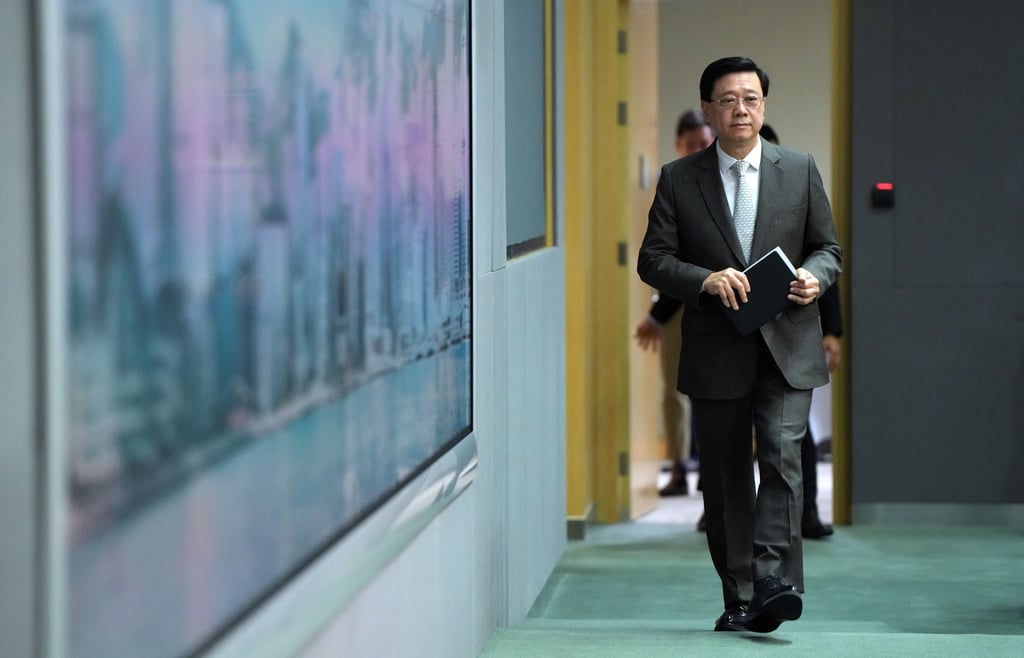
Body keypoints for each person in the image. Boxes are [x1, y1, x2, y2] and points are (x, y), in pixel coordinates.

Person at [637, 57, 841, 634]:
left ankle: (773, 580)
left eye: (751, 99)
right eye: (728, 100)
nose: (741, 110)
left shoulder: (798, 169)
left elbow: (828, 249)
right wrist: (704, 280)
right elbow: (652, 260)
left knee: (781, 460)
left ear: (763, 106)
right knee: (726, 478)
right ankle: (741, 595)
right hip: (717, 348)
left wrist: (814, 277)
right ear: (708, 109)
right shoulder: (680, 178)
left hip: (788, 344)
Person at [757, 122, 839, 540]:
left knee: (793, 435)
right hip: (736, 333)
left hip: (790, 332)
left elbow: (825, 256)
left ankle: (807, 512)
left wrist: (833, 332)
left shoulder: (798, 183)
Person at [634, 109, 715, 497]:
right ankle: (681, 469)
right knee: (675, 392)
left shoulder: (724, 183)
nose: (698, 149)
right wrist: (658, 315)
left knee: (715, 390)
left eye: (704, 143)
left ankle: (712, 471)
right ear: (678, 145)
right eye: (691, 144)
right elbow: (666, 260)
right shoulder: (672, 184)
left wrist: (655, 316)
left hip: (717, 301)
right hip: (679, 303)